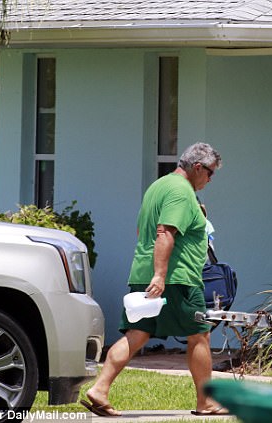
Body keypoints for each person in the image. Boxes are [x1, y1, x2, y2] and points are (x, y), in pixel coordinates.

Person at [81, 142, 227, 417]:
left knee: (137, 333)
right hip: (176, 279)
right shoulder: (181, 192)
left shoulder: (158, 186)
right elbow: (164, 232)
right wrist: (160, 275)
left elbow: (142, 231)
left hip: (144, 273)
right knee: (199, 334)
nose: (210, 179)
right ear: (197, 167)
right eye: (210, 173)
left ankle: (100, 389)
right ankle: (206, 402)